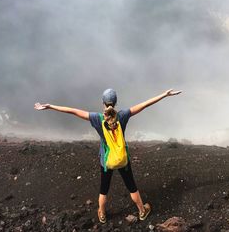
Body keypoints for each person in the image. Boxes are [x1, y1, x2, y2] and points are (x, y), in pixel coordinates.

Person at [34, 88, 182, 223]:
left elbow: (72, 110)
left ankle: (103, 214)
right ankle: (142, 211)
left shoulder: (97, 118)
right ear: (116, 102)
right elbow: (144, 105)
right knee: (132, 187)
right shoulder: (123, 116)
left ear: (102, 103)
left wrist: (50, 106)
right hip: (123, 160)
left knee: (103, 189)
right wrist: (164, 94)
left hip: (106, 161)